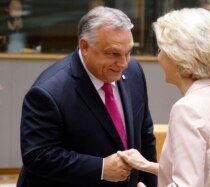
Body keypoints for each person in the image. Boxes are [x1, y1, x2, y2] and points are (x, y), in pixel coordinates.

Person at [16, 6, 157, 187]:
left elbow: (144, 135)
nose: (123, 63)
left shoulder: (134, 71)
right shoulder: (48, 92)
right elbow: (38, 156)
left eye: (128, 52)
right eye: (112, 53)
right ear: (85, 46)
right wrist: (100, 168)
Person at [118, 8, 210, 187]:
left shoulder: (187, 109)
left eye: (161, 49)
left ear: (177, 55)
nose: (158, 56)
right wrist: (146, 165)